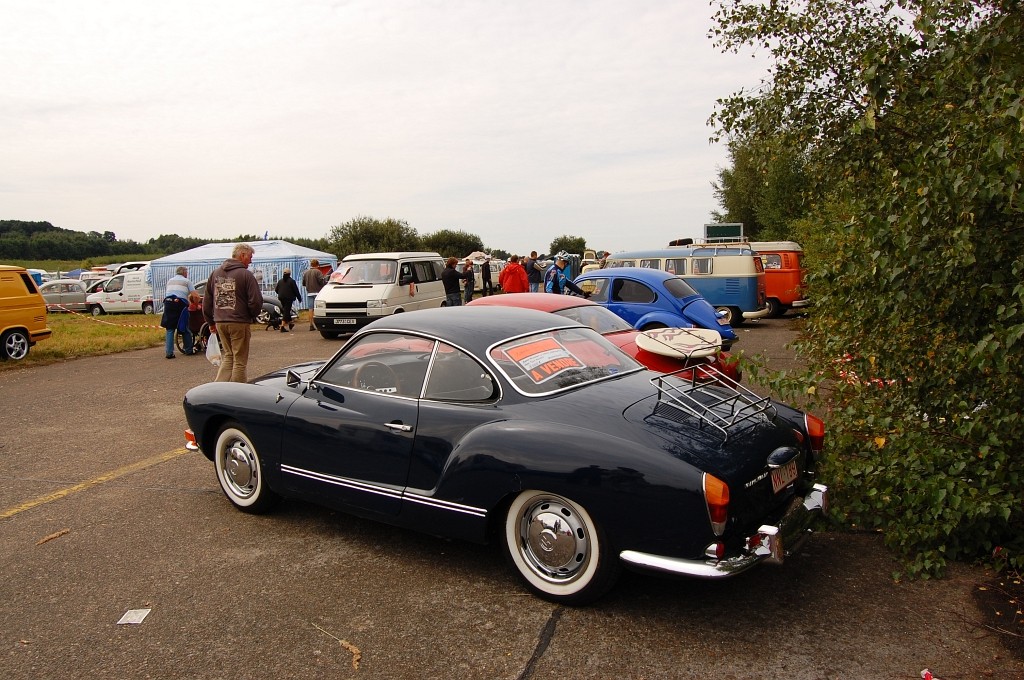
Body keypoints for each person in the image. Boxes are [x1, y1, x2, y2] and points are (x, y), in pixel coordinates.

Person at [203, 243, 263, 383]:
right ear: (242, 255)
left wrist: (210, 322)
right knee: (240, 361)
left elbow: (207, 300)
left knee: (229, 356)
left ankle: (218, 389)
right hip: (239, 321)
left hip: (220, 321)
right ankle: (237, 392)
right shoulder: (246, 275)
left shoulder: (215, 273)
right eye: (250, 257)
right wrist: (251, 315)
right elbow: (256, 301)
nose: (251, 261)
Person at [161, 266, 194, 358]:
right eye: (186, 272)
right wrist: (195, 303)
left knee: (170, 329)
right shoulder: (187, 281)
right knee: (184, 327)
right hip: (180, 304)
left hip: (168, 303)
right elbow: (195, 295)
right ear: (183, 272)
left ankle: (169, 353)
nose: (187, 274)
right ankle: (188, 350)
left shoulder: (170, 281)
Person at [302, 258, 326, 331]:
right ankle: (320, 324)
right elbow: (321, 281)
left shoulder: (306, 273)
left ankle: (311, 324)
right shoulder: (318, 272)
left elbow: (303, 283)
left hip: (309, 293)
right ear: (317, 265)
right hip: (318, 293)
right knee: (319, 309)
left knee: (310, 309)